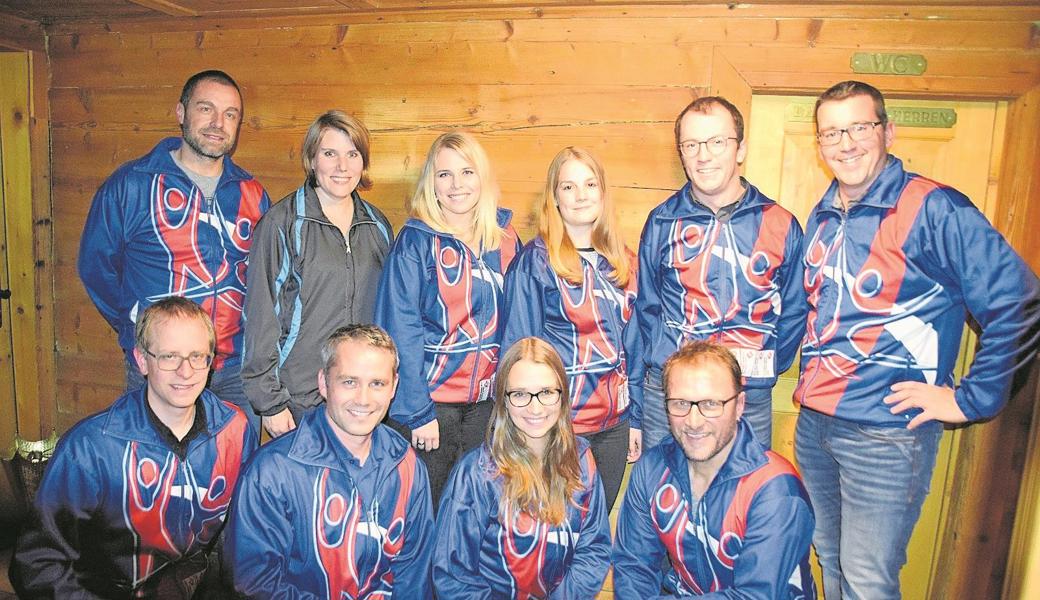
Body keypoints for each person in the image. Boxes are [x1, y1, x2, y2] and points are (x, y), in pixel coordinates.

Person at [796, 80, 1040, 599]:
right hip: (815, 427)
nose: (846, 143)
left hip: (885, 437)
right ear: (819, 144)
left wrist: (968, 401)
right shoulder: (822, 217)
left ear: (888, 131)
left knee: (867, 580)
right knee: (832, 564)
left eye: (859, 127)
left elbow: (1019, 301)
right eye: (831, 132)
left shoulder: (932, 207)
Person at [11, 297, 258, 598]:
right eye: (169, 356)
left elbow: (240, 535)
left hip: (188, 584)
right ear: (142, 360)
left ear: (211, 361)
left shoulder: (234, 430)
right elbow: (36, 565)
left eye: (197, 356)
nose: (186, 371)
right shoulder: (91, 448)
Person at [77, 69, 271, 435]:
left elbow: (263, 278)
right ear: (181, 113)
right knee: (155, 475)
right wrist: (135, 327)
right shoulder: (132, 185)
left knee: (232, 479)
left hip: (234, 371)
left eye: (231, 115)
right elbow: (95, 267)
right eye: (206, 109)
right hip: (161, 367)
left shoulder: (253, 194)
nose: (218, 123)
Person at [631, 96, 806, 451]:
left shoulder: (780, 224)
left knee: (743, 500)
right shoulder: (663, 221)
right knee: (664, 500)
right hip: (669, 397)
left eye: (716, 142)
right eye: (691, 144)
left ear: (740, 149)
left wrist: (755, 367)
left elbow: (795, 313)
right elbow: (646, 310)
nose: (703, 155)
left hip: (747, 398)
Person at [225, 324, 434, 598]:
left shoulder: (407, 464)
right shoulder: (272, 471)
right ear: (323, 383)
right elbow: (254, 584)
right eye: (349, 382)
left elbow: (413, 574)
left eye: (377, 384)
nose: (363, 399)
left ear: (394, 387)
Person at [375, 131, 522, 508]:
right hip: (430, 406)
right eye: (444, 175)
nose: (457, 185)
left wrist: (512, 401)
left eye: (467, 172)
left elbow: (518, 328)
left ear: (482, 179)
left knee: (473, 514)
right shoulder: (415, 242)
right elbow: (398, 329)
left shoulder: (505, 240)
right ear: (431, 184)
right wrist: (416, 411)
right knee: (423, 515)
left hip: (486, 407)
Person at [613, 341, 815, 599]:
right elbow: (633, 568)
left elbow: (755, 596)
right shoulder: (652, 469)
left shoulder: (775, 490)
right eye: (680, 403)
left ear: (740, 405)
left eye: (710, 404)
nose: (694, 422)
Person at [500, 146, 640, 512]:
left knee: (594, 535)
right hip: (556, 426)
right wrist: (529, 427)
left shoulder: (626, 263)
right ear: (554, 198)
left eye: (590, 184)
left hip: (614, 426)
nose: (581, 195)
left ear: (603, 193)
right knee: (551, 532)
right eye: (568, 186)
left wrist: (636, 419)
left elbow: (636, 349)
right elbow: (517, 352)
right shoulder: (534, 263)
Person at [242, 110, 393, 438]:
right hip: (299, 399)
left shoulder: (377, 226)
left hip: (359, 398)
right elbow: (260, 315)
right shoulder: (281, 224)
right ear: (312, 159)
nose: (342, 166)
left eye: (352, 154)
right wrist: (270, 402)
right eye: (330, 153)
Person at [433, 337, 611, 598]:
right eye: (520, 394)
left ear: (563, 396)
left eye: (547, 392)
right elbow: (453, 575)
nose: (535, 407)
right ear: (503, 400)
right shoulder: (476, 475)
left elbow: (593, 549)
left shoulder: (582, 462)